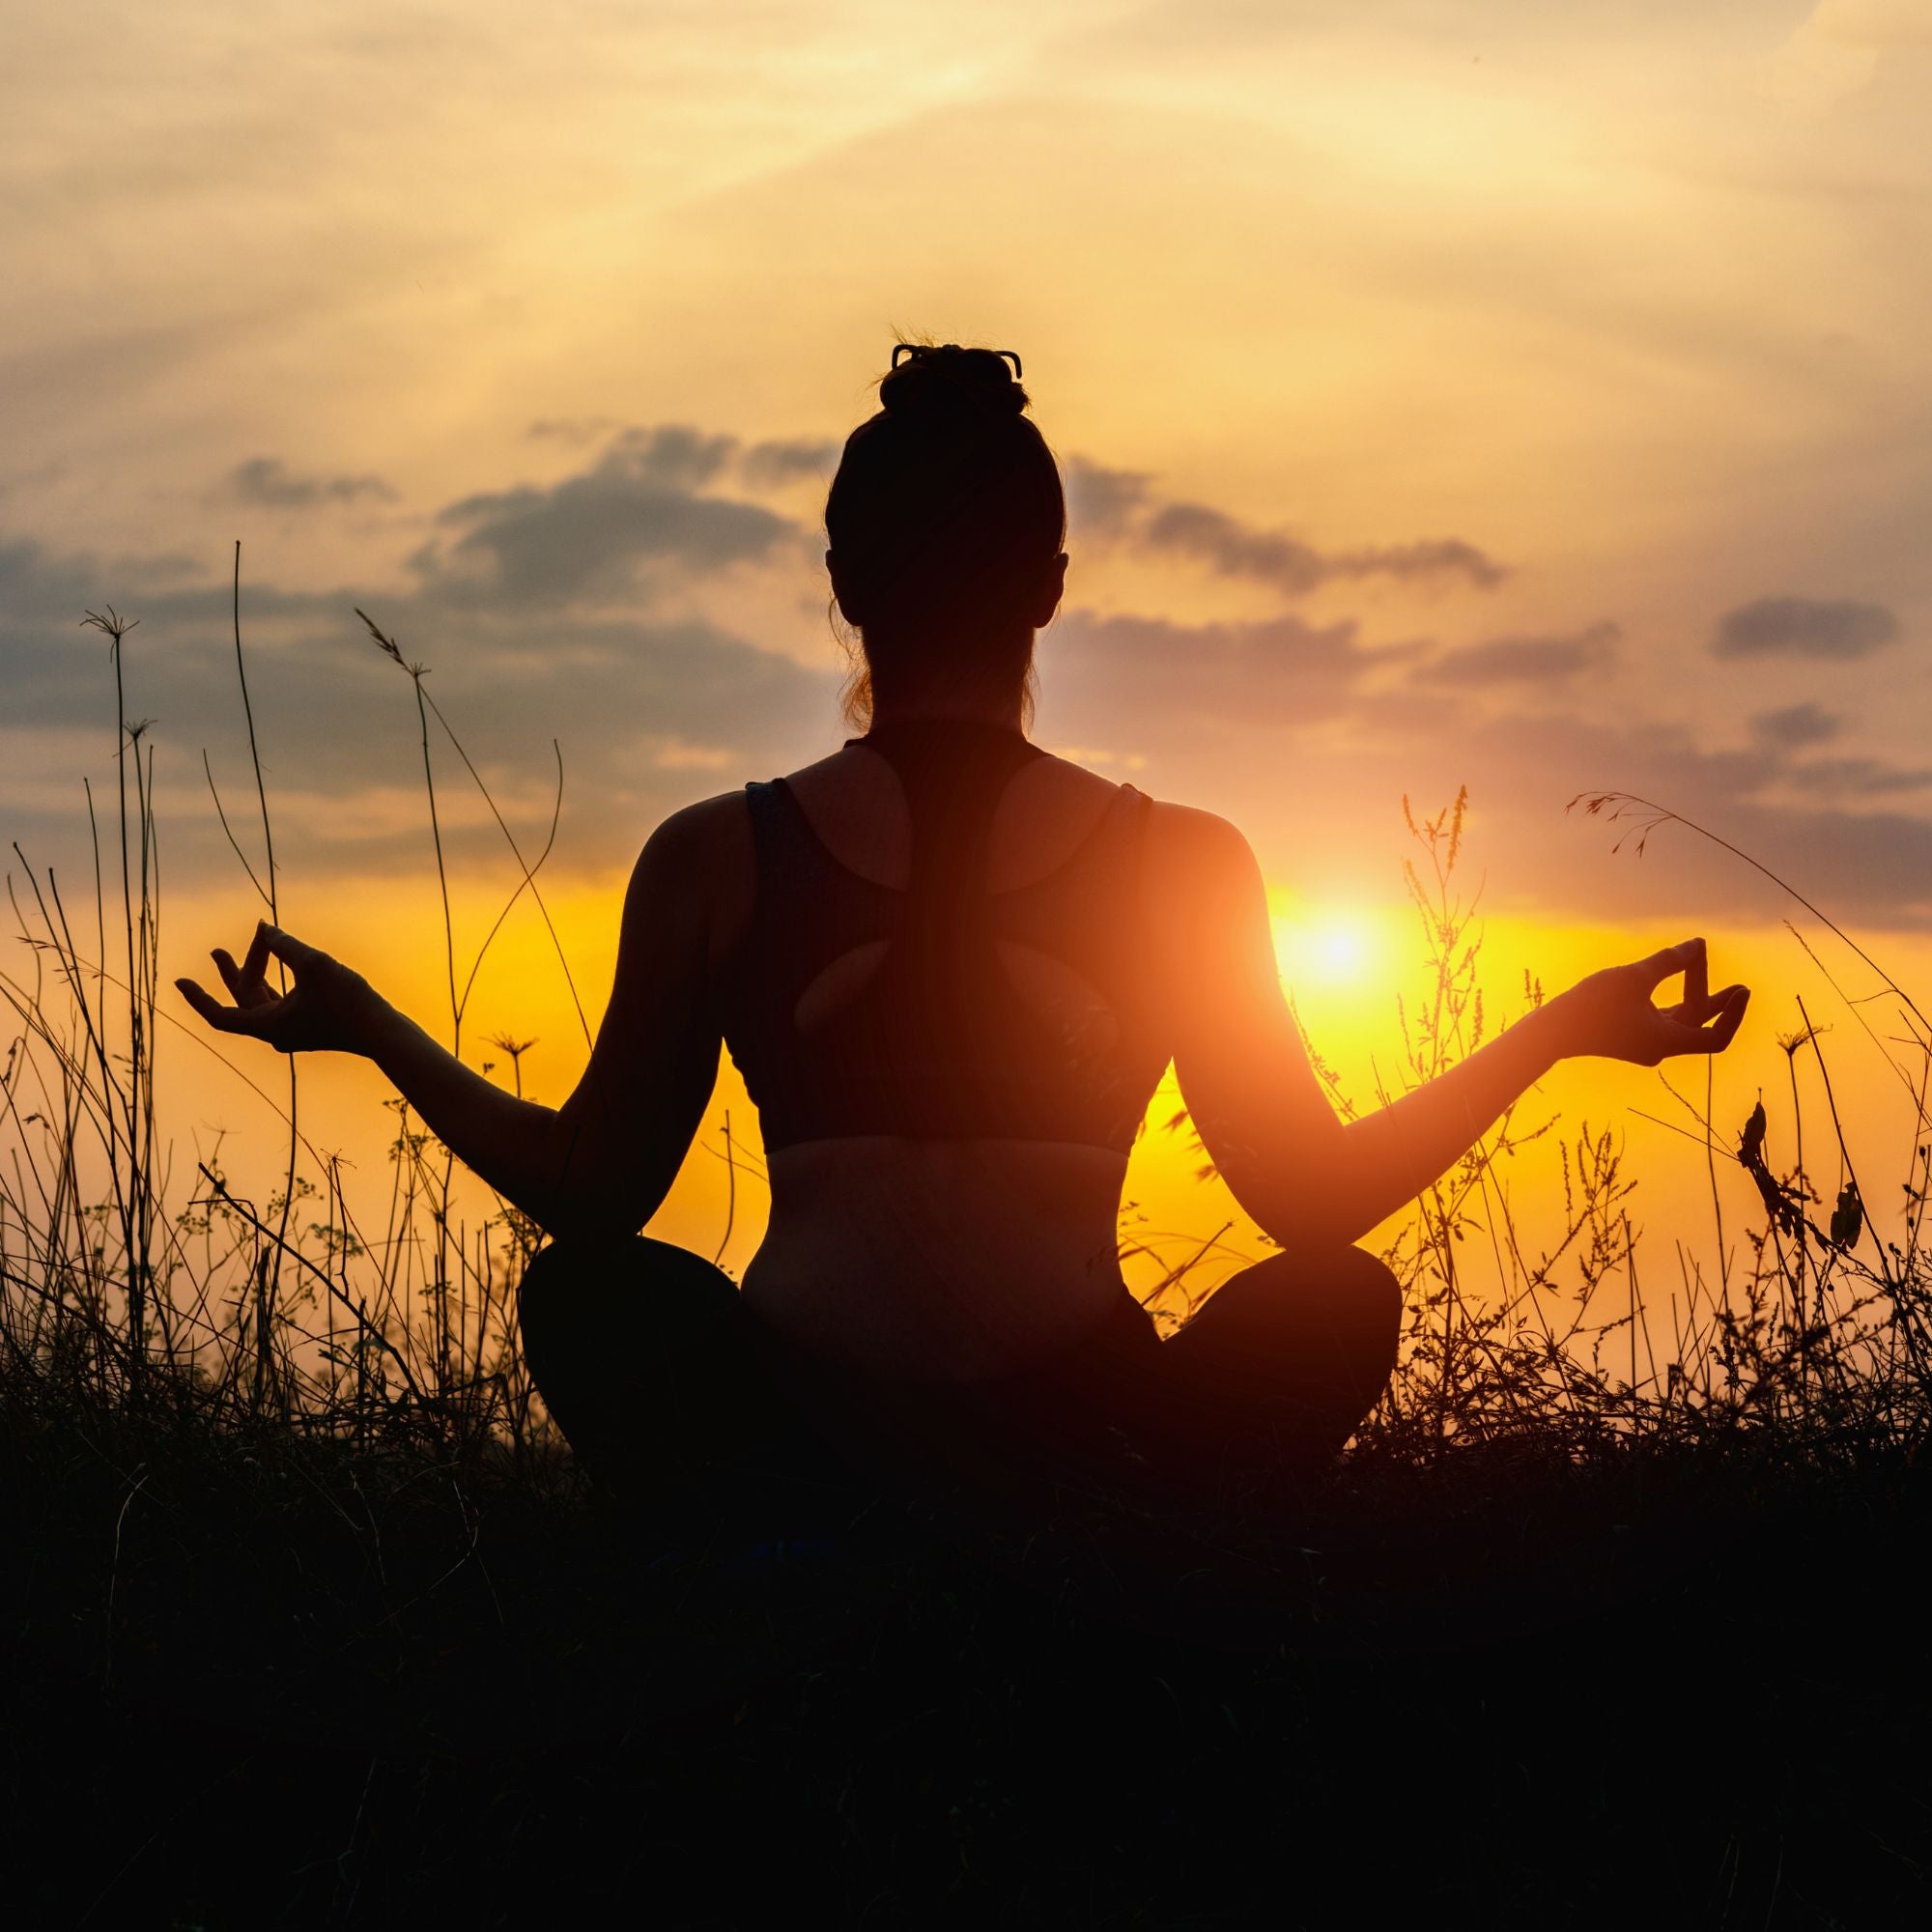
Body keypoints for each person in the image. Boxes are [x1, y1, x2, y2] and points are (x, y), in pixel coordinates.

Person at [177, 342, 1750, 1541]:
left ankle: (831, 1581)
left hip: (804, 1454)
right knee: (1336, 1298)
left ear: (847, 583)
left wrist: (376, 1024)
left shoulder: (717, 856)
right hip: (1085, 1458)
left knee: (595, 1297)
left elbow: (597, 1190)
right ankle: (1095, 1582)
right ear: (1051, 592)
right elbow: (1309, 1196)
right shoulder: (1179, 866)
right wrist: (1555, 1033)